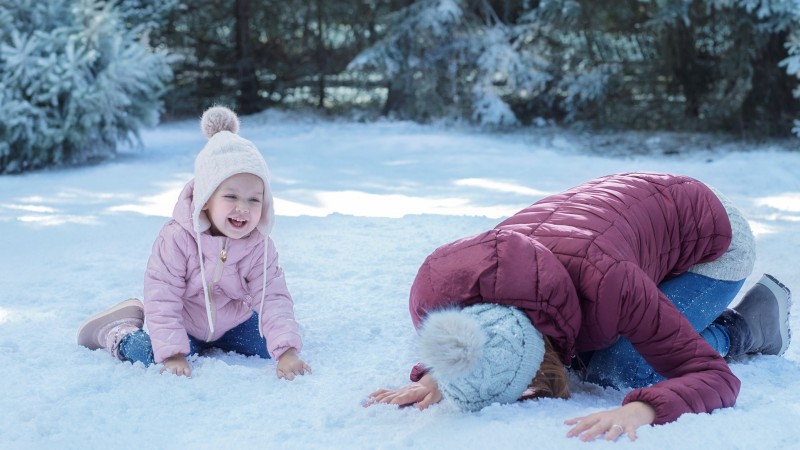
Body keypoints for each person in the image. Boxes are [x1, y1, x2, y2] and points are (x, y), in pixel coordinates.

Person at [368, 172, 791, 441]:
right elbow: (491, 335)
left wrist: (644, 408)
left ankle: (746, 327)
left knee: (618, 368)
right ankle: (673, 312)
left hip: (713, 236)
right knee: (594, 346)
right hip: (630, 219)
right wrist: (443, 372)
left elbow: (712, 378)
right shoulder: (459, 281)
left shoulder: (608, 284)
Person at [77, 106, 311, 380]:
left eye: (254, 199)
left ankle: (252, 342)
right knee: (157, 355)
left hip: (231, 323)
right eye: (231, 197)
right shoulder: (177, 238)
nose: (243, 208)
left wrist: (286, 351)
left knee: (269, 345)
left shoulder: (259, 246)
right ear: (206, 198)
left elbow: (272, 295)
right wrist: (173, 353)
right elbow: (162, 295)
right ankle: (118, 331)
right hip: (184, 325)